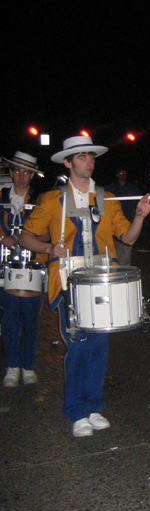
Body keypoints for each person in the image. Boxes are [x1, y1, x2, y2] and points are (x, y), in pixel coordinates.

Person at [19, 135, 150, 437]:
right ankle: (76, 411)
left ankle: (93, 407)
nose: (89, 161)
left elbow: (127, 238)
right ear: (68, 163)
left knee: (99, 347)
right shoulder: (52, 201)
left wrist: (141, 216)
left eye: (91, 156)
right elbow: (25, 236)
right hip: (67, 280)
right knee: (79, 346)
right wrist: (49, 247)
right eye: (81, 157)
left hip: (101, 280)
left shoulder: (106, 199)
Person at [1, 152, 46, 387]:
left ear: (32, 175)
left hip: (32, 266)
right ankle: (12, 367)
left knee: (30, 319)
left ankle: (28, 367)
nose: (21, 176)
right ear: (10, 172)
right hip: (4, 267)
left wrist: (23, 237)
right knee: (9, 319)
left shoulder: (41, 200)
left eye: (26, 172)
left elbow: (48, 230)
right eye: (17, 171)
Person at [107, 167, 142, 265]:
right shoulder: (111, 189)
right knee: (114, 251)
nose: (123, 174)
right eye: (120, 172)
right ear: (117, 175)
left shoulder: (132, 188)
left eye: (124, 172)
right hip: (113, 223)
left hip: (127, 221)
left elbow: (138, 204)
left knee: (126, 251)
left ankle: (125, 272)